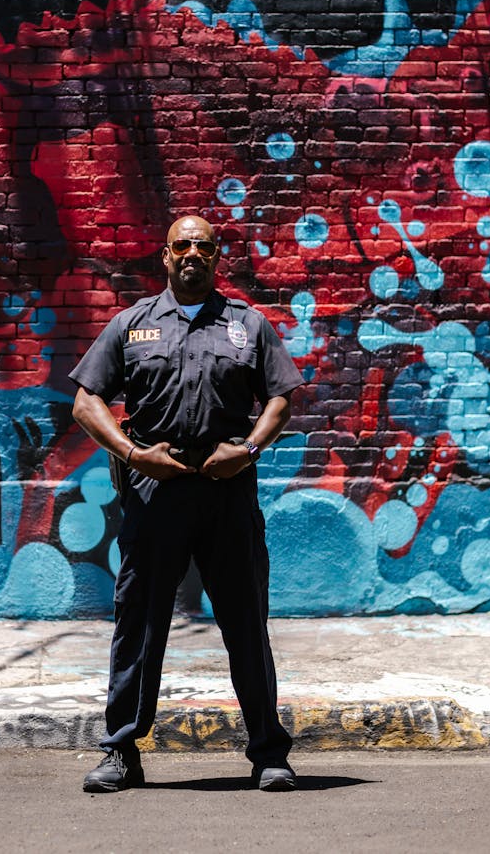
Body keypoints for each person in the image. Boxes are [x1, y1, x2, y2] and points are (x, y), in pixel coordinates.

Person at [70, 214, 302, 792]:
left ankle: (269, 751)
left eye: (203, 245)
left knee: (246, 623)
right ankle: (121, 752)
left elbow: (281, 399)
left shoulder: (248, 326)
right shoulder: (132, 325)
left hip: (227, 491)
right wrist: (132, 454)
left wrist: (247, 451)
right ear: (166, 257)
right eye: (182, 245)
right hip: (156, 493)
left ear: (216, 257)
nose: (193, 253)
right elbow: (85, 402)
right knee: (138, 626)